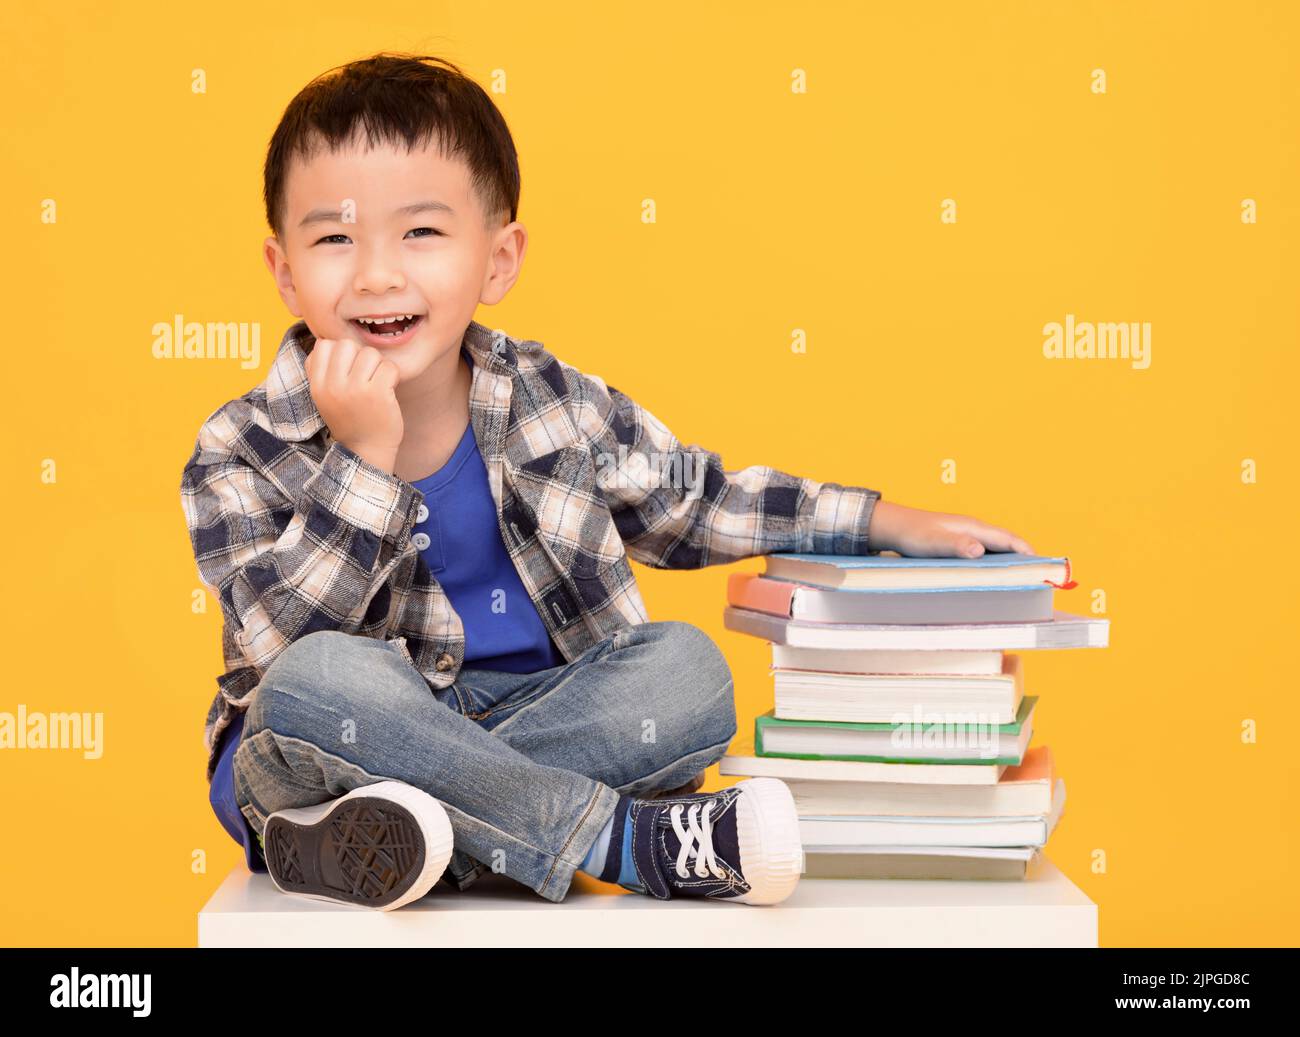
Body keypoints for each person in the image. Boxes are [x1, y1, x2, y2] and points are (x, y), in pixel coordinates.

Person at [180, 52, 1034, 912]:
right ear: (285, 271)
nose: (376, 273)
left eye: (422, 232)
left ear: (499, 259)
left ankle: (428, 838)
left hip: (537, 718)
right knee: (316, 681)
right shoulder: (240, 445)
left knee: (687, 673)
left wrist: (879, 518)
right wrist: (362, 463)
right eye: (335, 237)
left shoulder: (554, 404)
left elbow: (696, 502)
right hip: (331, 746)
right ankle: (618, 839)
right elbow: (273, 655)